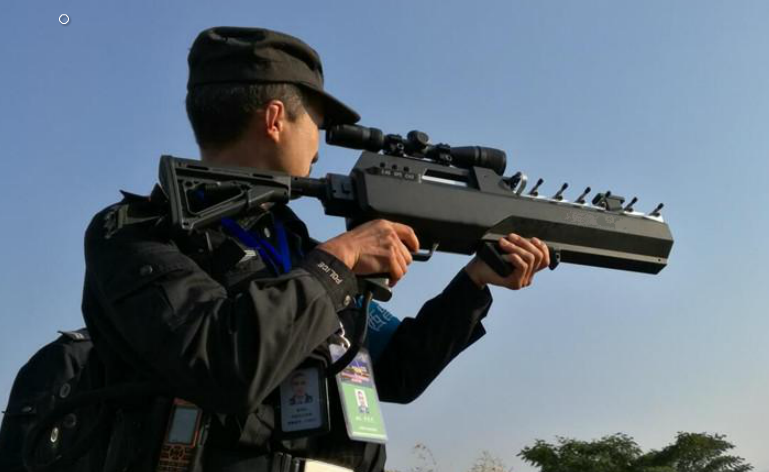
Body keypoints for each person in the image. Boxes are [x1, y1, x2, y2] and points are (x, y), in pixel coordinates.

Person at [81, 26, 550, 472]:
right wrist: (337, 261)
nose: (319, 149)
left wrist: (473, 284)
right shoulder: (136, 234)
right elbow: (223, 365)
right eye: (316, 125)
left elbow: (397, 372)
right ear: (275, 119)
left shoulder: (295, 248)